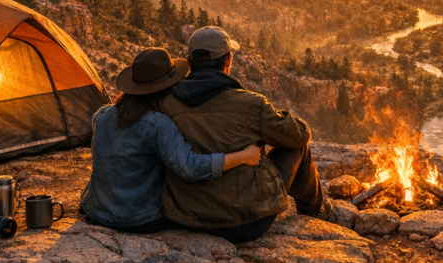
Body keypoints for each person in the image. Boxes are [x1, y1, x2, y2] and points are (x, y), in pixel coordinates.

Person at [159, 26, 331, 243]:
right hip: (246, 223)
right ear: (228, 62)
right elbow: (299, 135)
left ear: (189, 63)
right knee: (299, 148)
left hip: (185, 218)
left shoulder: (165, 104)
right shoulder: (251, 104)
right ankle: (316, 214)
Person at [80, 47, 262, 233]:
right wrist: (244, 156)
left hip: (95, 210)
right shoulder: (157, 124)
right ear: (169, 85)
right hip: (139, 219)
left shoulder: (102, 115)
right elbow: (190, 167)